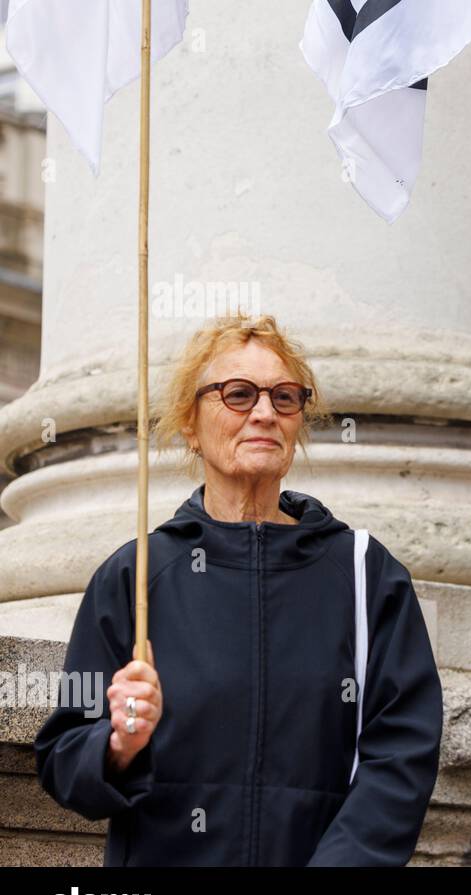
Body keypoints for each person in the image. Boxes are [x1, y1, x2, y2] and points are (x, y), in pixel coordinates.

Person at [34, 314, 443, 866]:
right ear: (189, 423)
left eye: (285, 397)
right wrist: (117, 744)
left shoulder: (366, 573)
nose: (264, 413)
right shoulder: (132, 577)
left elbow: (402, 752)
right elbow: (63, 756)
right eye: (238, 394)